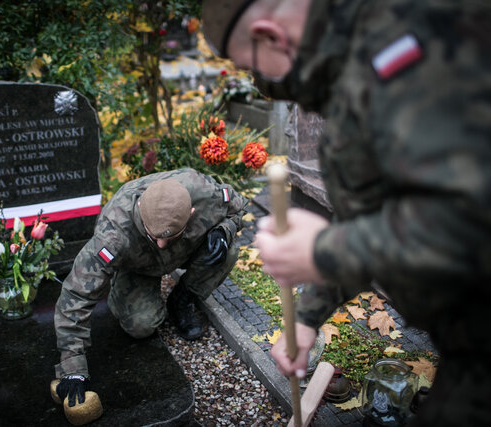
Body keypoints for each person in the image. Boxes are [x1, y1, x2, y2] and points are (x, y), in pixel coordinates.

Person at [202, 0, 491, 425]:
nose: (261, 83)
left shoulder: (420, 44)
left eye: (252, 67)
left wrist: (323, 250)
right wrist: (306, 318)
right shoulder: (346, 65)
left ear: (271, 36)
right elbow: (378, 218)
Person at [53, 168, 248, 407]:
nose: (161, 244)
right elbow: (76, 294)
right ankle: (120, 291)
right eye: (152, 236)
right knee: (141, 326)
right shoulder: (113, 234)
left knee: (228, 251)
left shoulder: (205, 192)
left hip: (185, 252)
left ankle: (182, 299)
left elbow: (238, 208)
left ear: (192, 212)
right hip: (137, 267)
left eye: (170, 236)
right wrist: (73, 368)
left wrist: (223, 230)